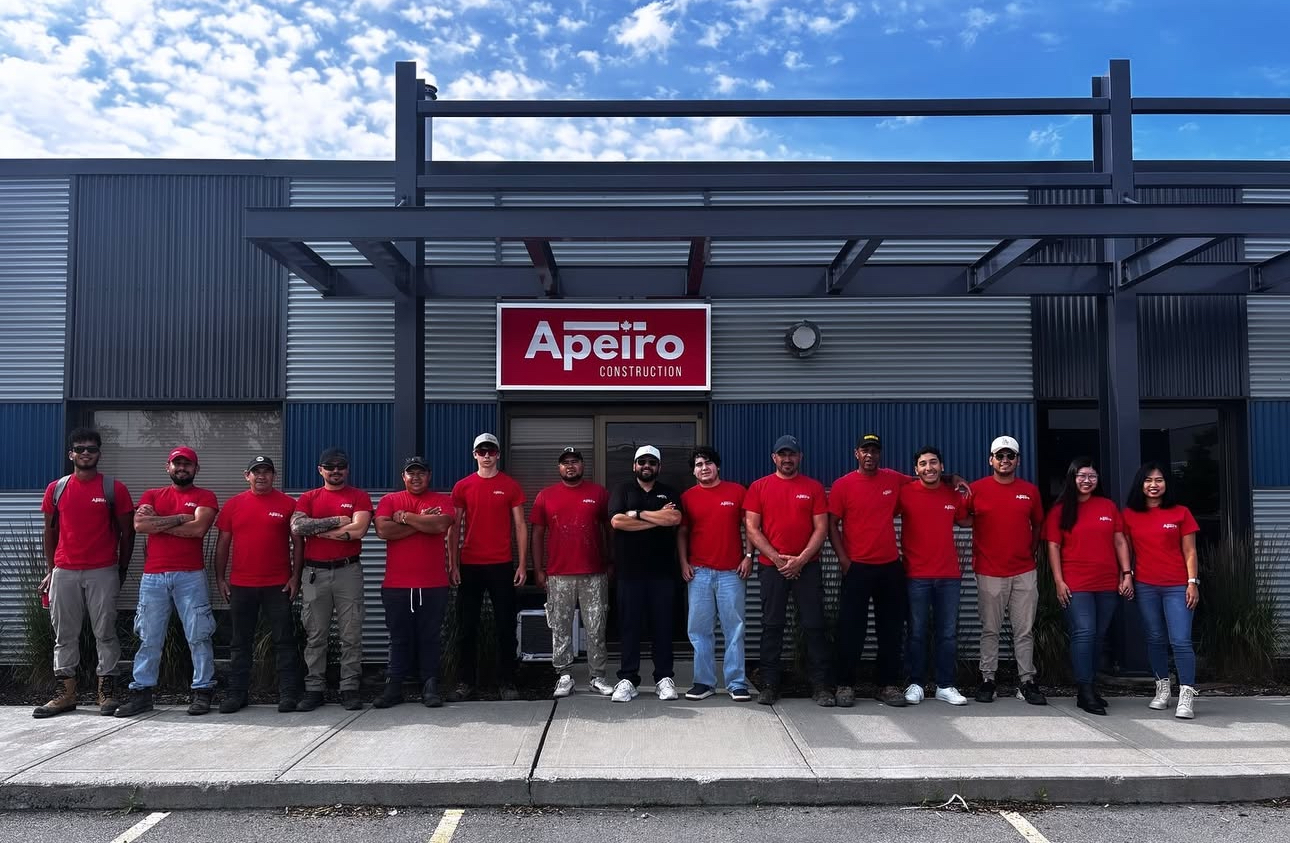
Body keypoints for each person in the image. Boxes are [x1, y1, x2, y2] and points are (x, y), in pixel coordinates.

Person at [33, 428, 135, 718]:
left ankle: (107, 693)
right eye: (80, 449)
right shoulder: (57, 488)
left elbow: (127, 534)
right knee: (64, 634)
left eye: (91, 449)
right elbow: (50, 531)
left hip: (102, 570)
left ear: (99, 454)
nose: (86, 453)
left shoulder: (113, 489)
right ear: (71, 454)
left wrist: (122, 568)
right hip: (64, 570)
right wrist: (51, 570)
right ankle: (65, 694)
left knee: (105, 632)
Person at [115, 447, 219, 717]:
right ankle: (141, 693)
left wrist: (158, 522)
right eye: (177, 464)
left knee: (199, 635)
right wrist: (179, 518)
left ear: (196, 469)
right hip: (153, 577)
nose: (182, 468)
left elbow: (197, 530)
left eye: (188, 464)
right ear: (168, 467)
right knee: (149, 636)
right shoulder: (152, 494)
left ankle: (203, 690)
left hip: (191, 575)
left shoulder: (205, 496)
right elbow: (140, 526)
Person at [744, 435, 833, 707]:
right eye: (782, 454)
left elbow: (822, 528)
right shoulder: (759, 488)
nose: (787, 459)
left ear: (799, 457)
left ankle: (821, 686)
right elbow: (752, 529)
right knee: (772, 626)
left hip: (808, 568)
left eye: (791, 454)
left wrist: (801, 560)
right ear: (774, 458)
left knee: (815, 626)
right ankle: (769, 684)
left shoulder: (814, 487)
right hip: (772, 569)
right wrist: (778, 560)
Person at [1043, 457, 1134, 716]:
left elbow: (1119, 541)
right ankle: (1084, 691)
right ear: (1072, 478)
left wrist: (1126, 574)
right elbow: (1053, 547)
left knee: (1098, 636)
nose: (1086, 480)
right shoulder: (1060, 510)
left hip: (1106, 583)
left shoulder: (1107, 506)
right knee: (1084, 632)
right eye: (1081, 475)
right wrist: (1059, 582)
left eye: (1092, 476)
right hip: (1075, 583)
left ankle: (1092, 686)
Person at [214, 455, 303, 714]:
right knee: (240, 642)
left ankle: (288, 694)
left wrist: (295, 576)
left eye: (266, 471)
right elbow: (222, 544)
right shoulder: (233, 505)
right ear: (247, 475)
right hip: (241, 585)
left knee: (284, 640)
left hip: (278, 585)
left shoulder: (288, 504)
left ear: (274, 476)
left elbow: (299, 544)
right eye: (256, 472)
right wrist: (220, 578)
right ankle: (237, 694)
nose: (261, 476)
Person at [291, 447, 373, 712]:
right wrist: (338, 521)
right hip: (314, 573)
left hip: (348, 571)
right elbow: (298, 527)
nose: (335, 470)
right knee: (315, 634)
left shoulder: (359, 496)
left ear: (347, 469)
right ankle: (314, 688)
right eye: (330, 466)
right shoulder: (308, 497)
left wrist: (319, 530)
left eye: (341, 466)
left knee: (351, 632)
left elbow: (358, 529)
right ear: (320, 470)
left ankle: (349, 687)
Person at [967, 435, 1047, 706]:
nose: (1004, 460)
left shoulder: (1030, 491)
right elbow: (962, 517)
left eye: (1009, 456)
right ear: (991, 460)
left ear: (1017, 460)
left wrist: (1031, 550)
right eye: (999, 456)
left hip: (1024, 571)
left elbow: (1037, 524)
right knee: (990, 629)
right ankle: (987, 679)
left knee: (1024, 631)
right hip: (989, 571)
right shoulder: (976, 489)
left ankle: (1027, 681)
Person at [373, 456, 457, 709]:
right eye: (411, 473)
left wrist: (406, 518)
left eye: (421, 473)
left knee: (430, 636)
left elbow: (442, 524)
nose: (416, 477)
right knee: (398, 637)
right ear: (404, 477)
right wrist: (422, 522)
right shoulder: (390, 500)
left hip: (433, 584)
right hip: (396, 585)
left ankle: (430, 686)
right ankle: (394, 686)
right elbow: (383, 531)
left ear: (428, 475)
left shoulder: (442, 500)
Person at [531, 447, 613, 699]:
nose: (570, 466)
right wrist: (538, 569)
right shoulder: (546, 496)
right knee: (560, 627)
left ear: (582, 465)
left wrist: (611, 562)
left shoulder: (598, 493)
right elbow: (537, 533)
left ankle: (597, 677)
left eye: (574, 462)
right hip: (558, 574)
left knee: (596, 627)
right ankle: (564, 676)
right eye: (565, 462)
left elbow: (610, 529)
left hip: (594, 573)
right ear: (559, 468)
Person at [451, 432, 527, 701]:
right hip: (470, 565)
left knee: (505, 626)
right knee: (466, 626)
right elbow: (454, 526)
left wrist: (522, 564)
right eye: (481, 451)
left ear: (498, 454)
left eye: (491, 451)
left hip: (501, 565)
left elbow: (520, 525)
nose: (486, 456)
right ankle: (465, 682)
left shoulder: (510, 486)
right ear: (474, 455)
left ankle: (507, 681)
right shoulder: (462, 486)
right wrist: (453, 563)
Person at [1122, 462, 1201, 720]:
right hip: (1146, 586)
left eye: (1159, 480)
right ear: (1140, 484)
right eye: (1148, 480)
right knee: (1155, 638)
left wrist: (1192, 582)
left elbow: (1190, 551)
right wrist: (1128, 577)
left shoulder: (1181, 513)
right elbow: (1126, 550)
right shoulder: (1130, 515)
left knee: (1180, 640)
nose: (1154, 485)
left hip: (1177, 586)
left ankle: (1186, 694)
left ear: (1167, 484)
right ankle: (1162, 688)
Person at [896, 446, 973, 706]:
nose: (928, 468)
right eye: (923, 464)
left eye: (933, 463)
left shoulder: (953, 493)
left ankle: (945, 685)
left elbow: (965, 521)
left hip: (948, 576)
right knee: (916, 632)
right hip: (915, 575)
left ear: (941, 466)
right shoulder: (904, 493)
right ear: (915, 469)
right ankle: (915, 683)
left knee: (947, 633)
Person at [607, 444, 684, 703]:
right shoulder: (622, 490)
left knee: (663, 627)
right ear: (634, 466)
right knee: (630, 627)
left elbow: (674, 520)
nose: (646, 466)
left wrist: (637, 514)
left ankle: (664, 678)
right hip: (629, 573)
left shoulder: (669, 492)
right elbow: (617, 522)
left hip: (663, 573)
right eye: (642, 462)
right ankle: (628, 679)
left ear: (659, 467)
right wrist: (655, 518)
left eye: (652, 462)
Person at [678, 446, 752, 702]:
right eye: (698, 465)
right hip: (698, 573)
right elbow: (683, 533)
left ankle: (736, 683)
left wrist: (749, 556)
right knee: (699, 630)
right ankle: (704, 682)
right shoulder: (687, 497)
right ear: (694, 471)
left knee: (734, 629)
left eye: (708, 463)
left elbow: (750, 526)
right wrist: (683, 562)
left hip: (731, 572)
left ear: (717, 466)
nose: (704, 468)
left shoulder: (737, 492)